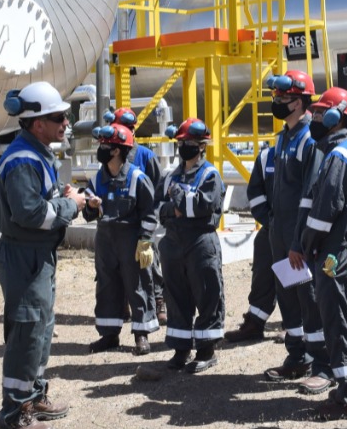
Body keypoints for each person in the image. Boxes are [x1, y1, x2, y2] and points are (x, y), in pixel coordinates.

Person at [0, 81, 87, 429]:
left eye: (66, 115)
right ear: (36, 123)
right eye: (58, 117)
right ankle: (15, 412)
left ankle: (33, 395)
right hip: (23, 255)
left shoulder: (39, 152)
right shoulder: (22, 160)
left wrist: (67, 196)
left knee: (41, 329)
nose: (66, 122)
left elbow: (40, 200)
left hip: (36, 255)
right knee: (27, 330)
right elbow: (30, 213)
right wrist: (70, 206)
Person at [297, 87, 347, 419]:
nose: (313, 118)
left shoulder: (339, 157)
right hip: (346, 250)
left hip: (337, 254)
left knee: (340, 323)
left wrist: (306, 245)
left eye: (318, 113)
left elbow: (324, 211)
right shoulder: (344, 153)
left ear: (335, 117)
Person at [260, 71, 327, 391]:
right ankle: (297, 356)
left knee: (309, 298)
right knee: (289, 296)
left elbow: (310, 196)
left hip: (298, 238)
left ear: (299, 102)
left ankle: (322, 362)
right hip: (281, 234)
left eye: (282, 100)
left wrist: (300, 241)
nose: (276, 104)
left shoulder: (309, 139)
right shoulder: (282, 138)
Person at [155, 117, 226, 372]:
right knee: (176, 297)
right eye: (182, 142)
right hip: (173, 243)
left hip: (200, 242)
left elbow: (203, 206)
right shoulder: (169, 175)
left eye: (191, 143)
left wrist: (178, 205)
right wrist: (178, 207)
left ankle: (206, 351)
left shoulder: (210, 175)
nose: (185, 146)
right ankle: (180, 349)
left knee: (207, 294)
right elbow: (158, 208)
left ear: (202, 146)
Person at [83, 123, 159, 356]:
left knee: (137, 284)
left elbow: (149, 212)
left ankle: (141, 334)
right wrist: (91, 207)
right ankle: (109, 334)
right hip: (105, 240)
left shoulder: (137, 178)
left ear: (117, 151)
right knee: (106, 285)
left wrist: (145, 240)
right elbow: (87, 215)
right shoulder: (97, 179)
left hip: (131, 240)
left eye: (106, 145)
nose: (101, 148)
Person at [104, 107, 166, 325]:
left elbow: (158, 190)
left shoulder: (145, 156)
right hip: (120, 225)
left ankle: (158, 300)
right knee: (120, 267)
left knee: (150, 261)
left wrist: (151, 222)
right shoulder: (111, 154)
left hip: (143, 221)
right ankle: (124, 304)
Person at [224, 141, 276, 343]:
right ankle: (255, 322)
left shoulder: (309, 150)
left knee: (296, 279)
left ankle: (296, 327)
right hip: (270, 228)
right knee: (262, 274)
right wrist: (268, 219)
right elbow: (255, 192)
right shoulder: (267, 157)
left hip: (294, 231)